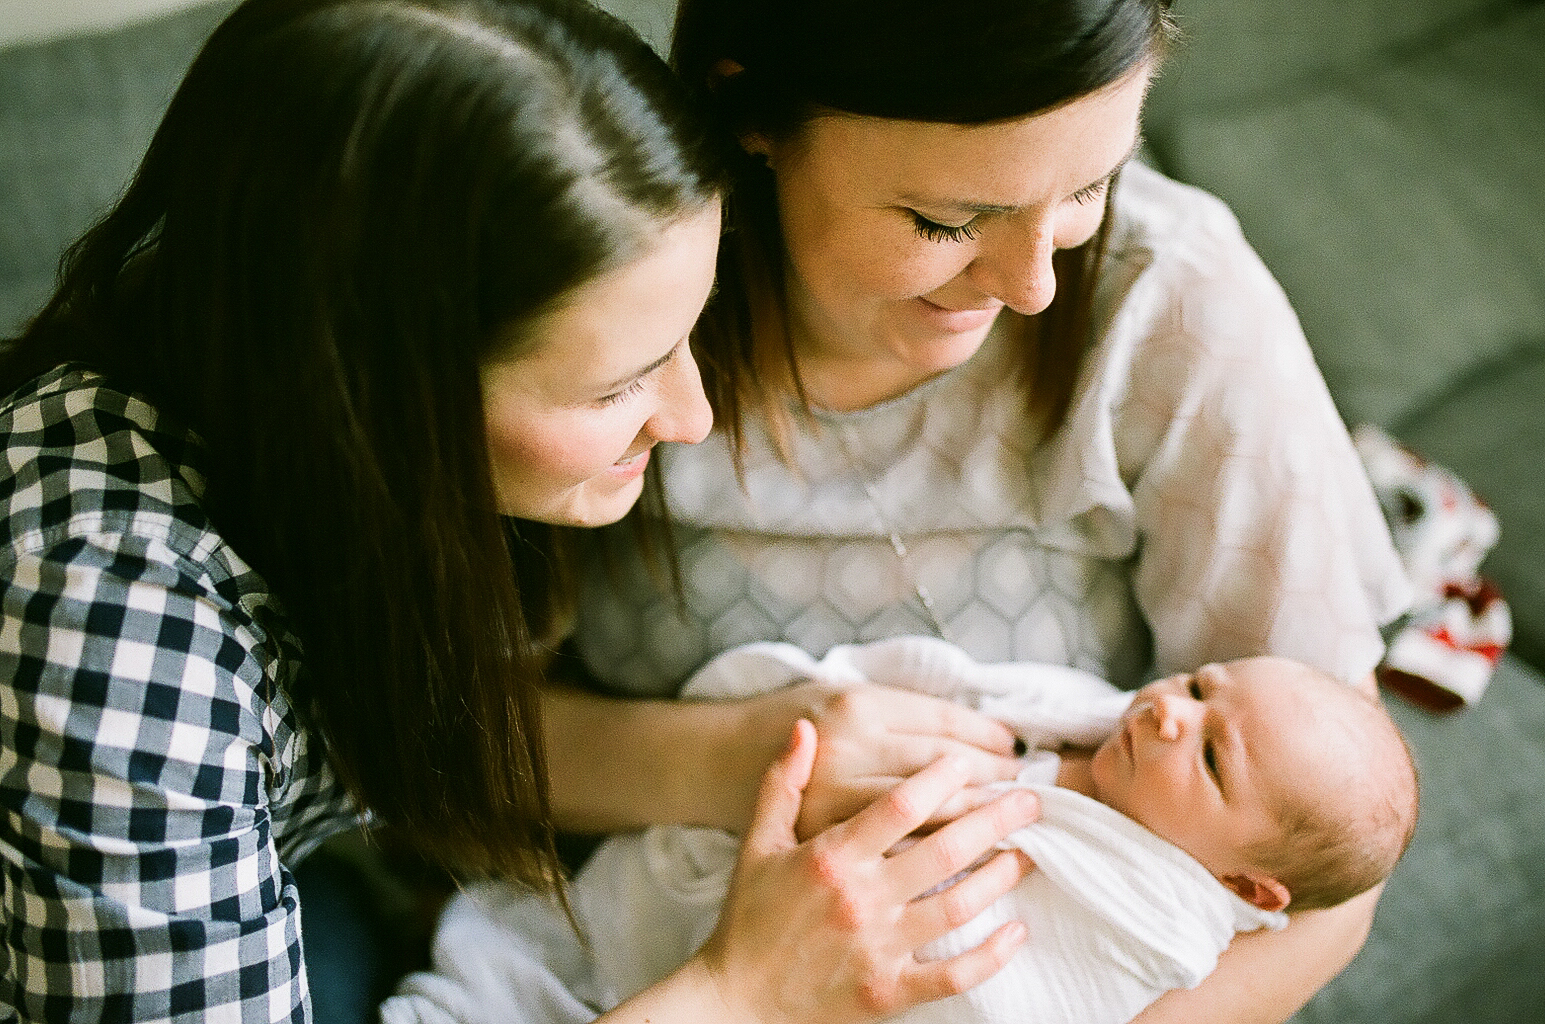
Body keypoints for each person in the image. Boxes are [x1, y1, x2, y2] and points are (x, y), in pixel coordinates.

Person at [0, 1, 1043, 1022]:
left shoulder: (267, 383)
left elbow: (408, 742)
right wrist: (745, 990)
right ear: (365, 395)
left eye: (689, 337)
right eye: (613, 389)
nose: (690, 416)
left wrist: (738, 758)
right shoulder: (115, 632)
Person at [525, 1, 1417, 1022]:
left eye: (1089, 186)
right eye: (946, 220)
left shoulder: (1170, 301)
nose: (1035, 286)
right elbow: (416, 744)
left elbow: (1324, 861)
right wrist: (733, 761)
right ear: (750, 112)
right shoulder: (607, 326)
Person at [394, 638, 1419, 1024]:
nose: (1167, 711)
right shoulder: (1081, 723)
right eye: (1199, 685)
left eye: (1208, 755)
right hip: (675, 918)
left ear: (1246, 889)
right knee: (497, 975)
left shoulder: (1138, 921)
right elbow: (951, 687)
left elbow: (1002, 992)